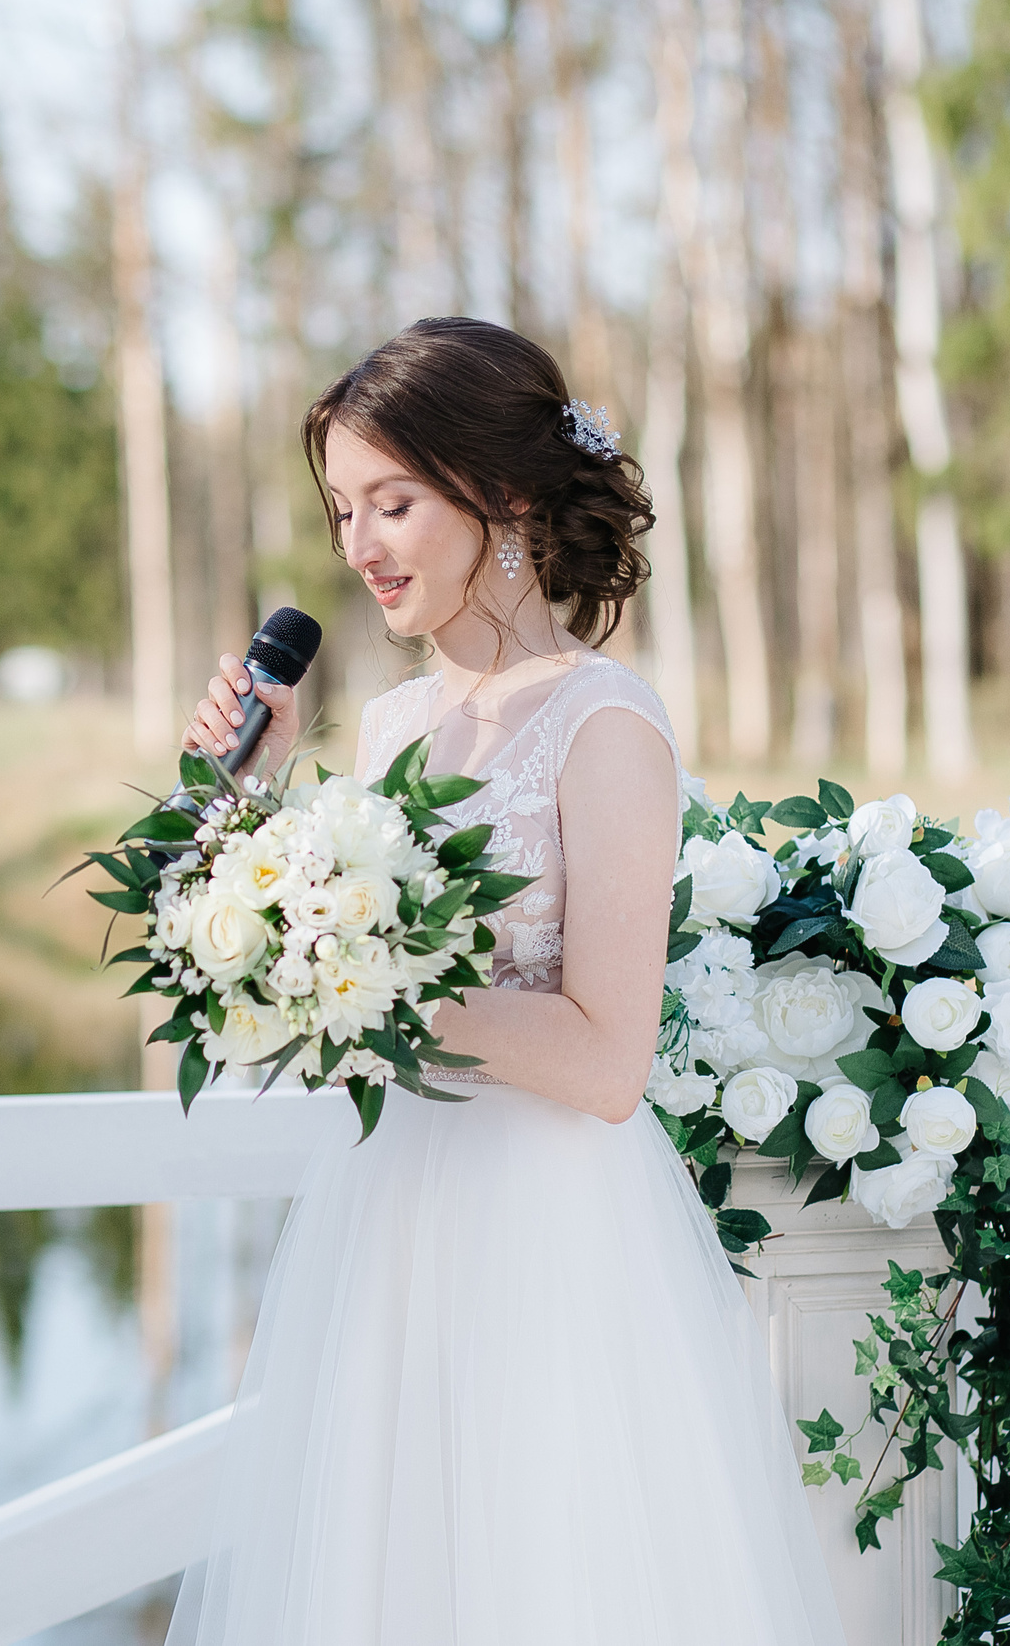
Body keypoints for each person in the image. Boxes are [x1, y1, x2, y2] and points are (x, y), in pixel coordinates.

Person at [168, 317, 851, 1645]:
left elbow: (606, 1062)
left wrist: (368, 977)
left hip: (550, 1243)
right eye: (343, 510)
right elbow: (321, 967)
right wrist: (249, 810)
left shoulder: (605, 722)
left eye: (395, 503)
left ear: (507, 497)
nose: (360, 545)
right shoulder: (386, 726)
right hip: (393, 1221)